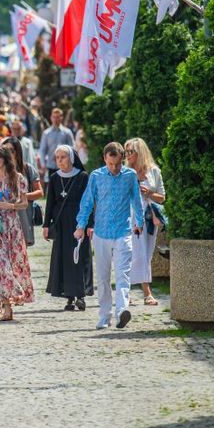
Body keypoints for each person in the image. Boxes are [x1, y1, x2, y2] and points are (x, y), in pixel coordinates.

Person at [74, 141, 144, 330]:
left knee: (123, 274)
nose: (114, 168)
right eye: (111, 164)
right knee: (103, 277)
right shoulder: (96, 176)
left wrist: (139, 221)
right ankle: (104, 316)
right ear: (105, 159)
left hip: (123, 232)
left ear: (123, 160)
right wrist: (81, 225)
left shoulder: (129, 175)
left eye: (118, 164)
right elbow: (87, 202)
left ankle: (122, 311)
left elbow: (136, 200)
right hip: (101, 233)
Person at [0, 145, 34, 321]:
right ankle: (5, 303)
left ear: (4, 159)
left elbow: (25, 203)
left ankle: (1, 302)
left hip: (12, 225)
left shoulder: (17, 178)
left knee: (12, 264)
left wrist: (11, 205)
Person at [43, 145, 92, 311]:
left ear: (71, 158)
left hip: (79, 221)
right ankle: (69, 297)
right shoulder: (54, 178)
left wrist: (89, 225)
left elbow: (89, 202)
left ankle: (81, 295)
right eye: (57, 158)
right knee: (64, 259)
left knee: (79, 257)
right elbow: (50, 202)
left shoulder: (83, 176)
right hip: (61, 223)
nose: (59, 161)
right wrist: (46, 225)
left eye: (63, 157)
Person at [125, 137, 166, 306]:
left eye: (130, 151)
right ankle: (137, 292)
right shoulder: (124, 172)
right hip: (129, 217)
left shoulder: (154, 171)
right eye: (126, 152)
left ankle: (140, 291)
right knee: (132, 253)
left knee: (146, 254)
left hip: (149, 217)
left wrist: (148, 193)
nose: (127, 155)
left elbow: (162, 198)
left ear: (140, 152)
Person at [2, 136, 43, 247]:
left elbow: (40, 192)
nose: (8, 153)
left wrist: (22, 196)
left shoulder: (27, 169)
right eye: (5, 150)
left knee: (21, 250)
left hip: (23, 215)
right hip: (3, 216)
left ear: (17, 152)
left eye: (11, 150)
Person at [38, 108, 75, 181]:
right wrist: (43, 164)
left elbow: (72, 148)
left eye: (57, 117)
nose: (55, 119)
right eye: (54, 117)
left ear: (61, 117)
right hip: (51, 166)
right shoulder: (46, 133)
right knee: (52, 186)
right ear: (51, 118)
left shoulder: (67, 132)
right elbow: (42, 150)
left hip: (65, 166)